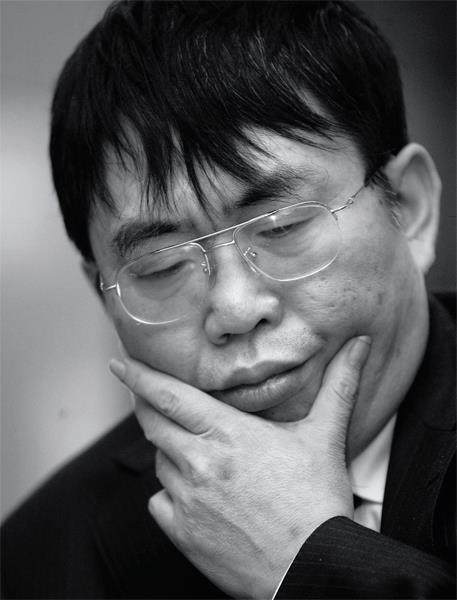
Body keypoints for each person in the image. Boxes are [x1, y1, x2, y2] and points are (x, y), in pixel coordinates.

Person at [1, 1, 455, 598]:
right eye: (162, 266)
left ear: (411, 208)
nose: (236, 309)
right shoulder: (45, 559)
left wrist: (310, 564)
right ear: (103, 296)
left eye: (281, 227)